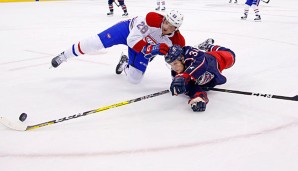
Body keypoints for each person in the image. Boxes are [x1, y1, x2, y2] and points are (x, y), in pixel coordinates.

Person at [51, 10, 185, 84]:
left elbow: (176, 62)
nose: (166, 26)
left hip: (142, 46)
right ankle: (64, 55)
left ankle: (126, 61)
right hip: (127, 31)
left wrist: (178, 78)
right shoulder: (151, 19)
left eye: (171, 26)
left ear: (176, 28)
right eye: (166, 21)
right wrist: (150, 49)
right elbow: (132, 39)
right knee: (95, 42)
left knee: (135, 79)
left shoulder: (176, 41)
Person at [164, 39, 236, 112]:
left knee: (231, 56)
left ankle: (208, 46)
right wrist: (198, 98)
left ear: (182, 59)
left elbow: (201, 62)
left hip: (216, 60)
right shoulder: (176, 74)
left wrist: (185, 76)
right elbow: (191, 89)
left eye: (175, 63)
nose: (173, 68)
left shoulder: (190, 53)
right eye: (171, 65)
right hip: (210, 78)